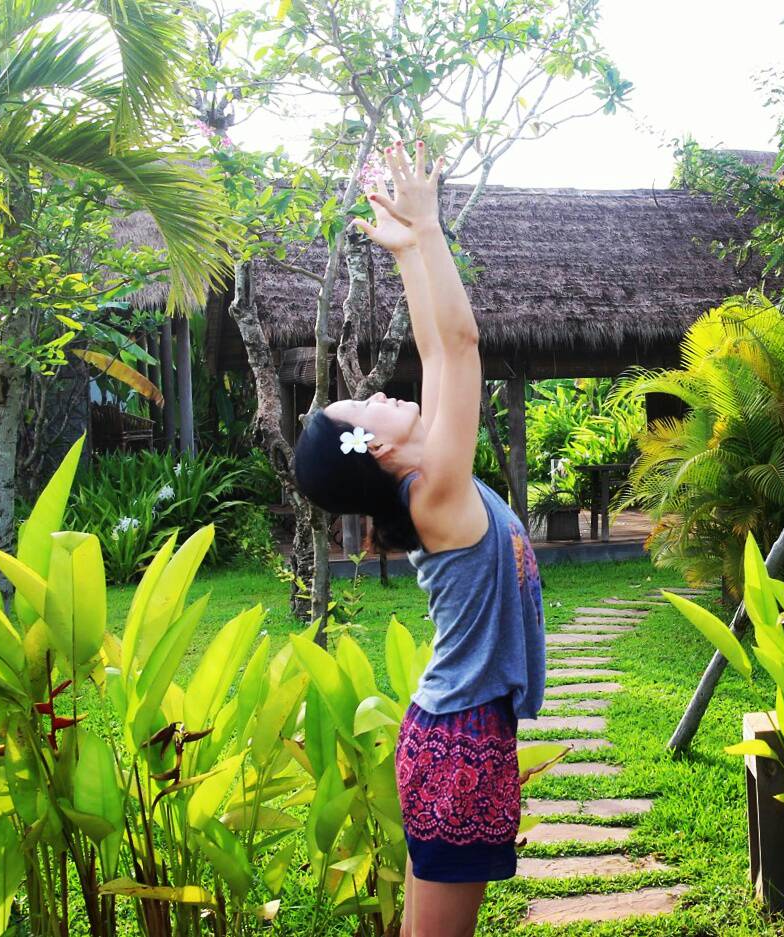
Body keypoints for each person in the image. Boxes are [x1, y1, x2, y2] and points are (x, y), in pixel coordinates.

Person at [294, 140, 546, 937]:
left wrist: (407, 249)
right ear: (368, 445)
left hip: (454, 731)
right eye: (361, 405)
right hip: (459, 741)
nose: (375, 394)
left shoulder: (430, 474)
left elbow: (439, 348)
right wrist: (429, 230)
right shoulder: (436, 489)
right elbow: (461, 347)